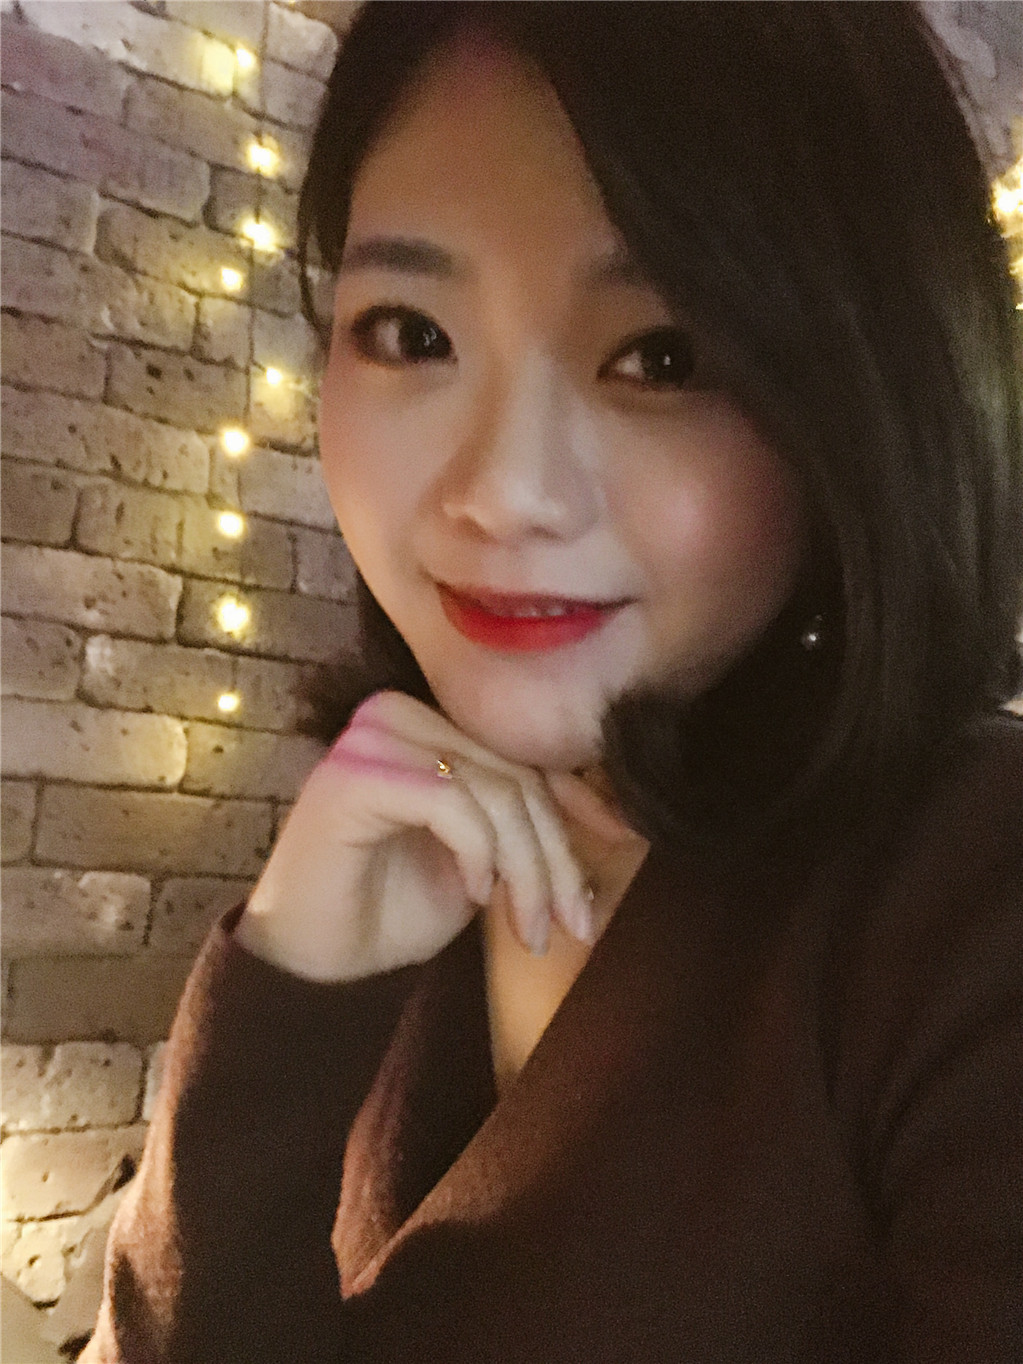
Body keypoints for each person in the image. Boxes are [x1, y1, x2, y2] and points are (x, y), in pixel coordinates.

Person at [83, 4, 1022, 1361]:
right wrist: (283, 989)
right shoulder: (404, 860)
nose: (502, 492)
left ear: (871, 388)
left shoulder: (972, 897)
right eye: (411, 333)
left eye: (663, 358)